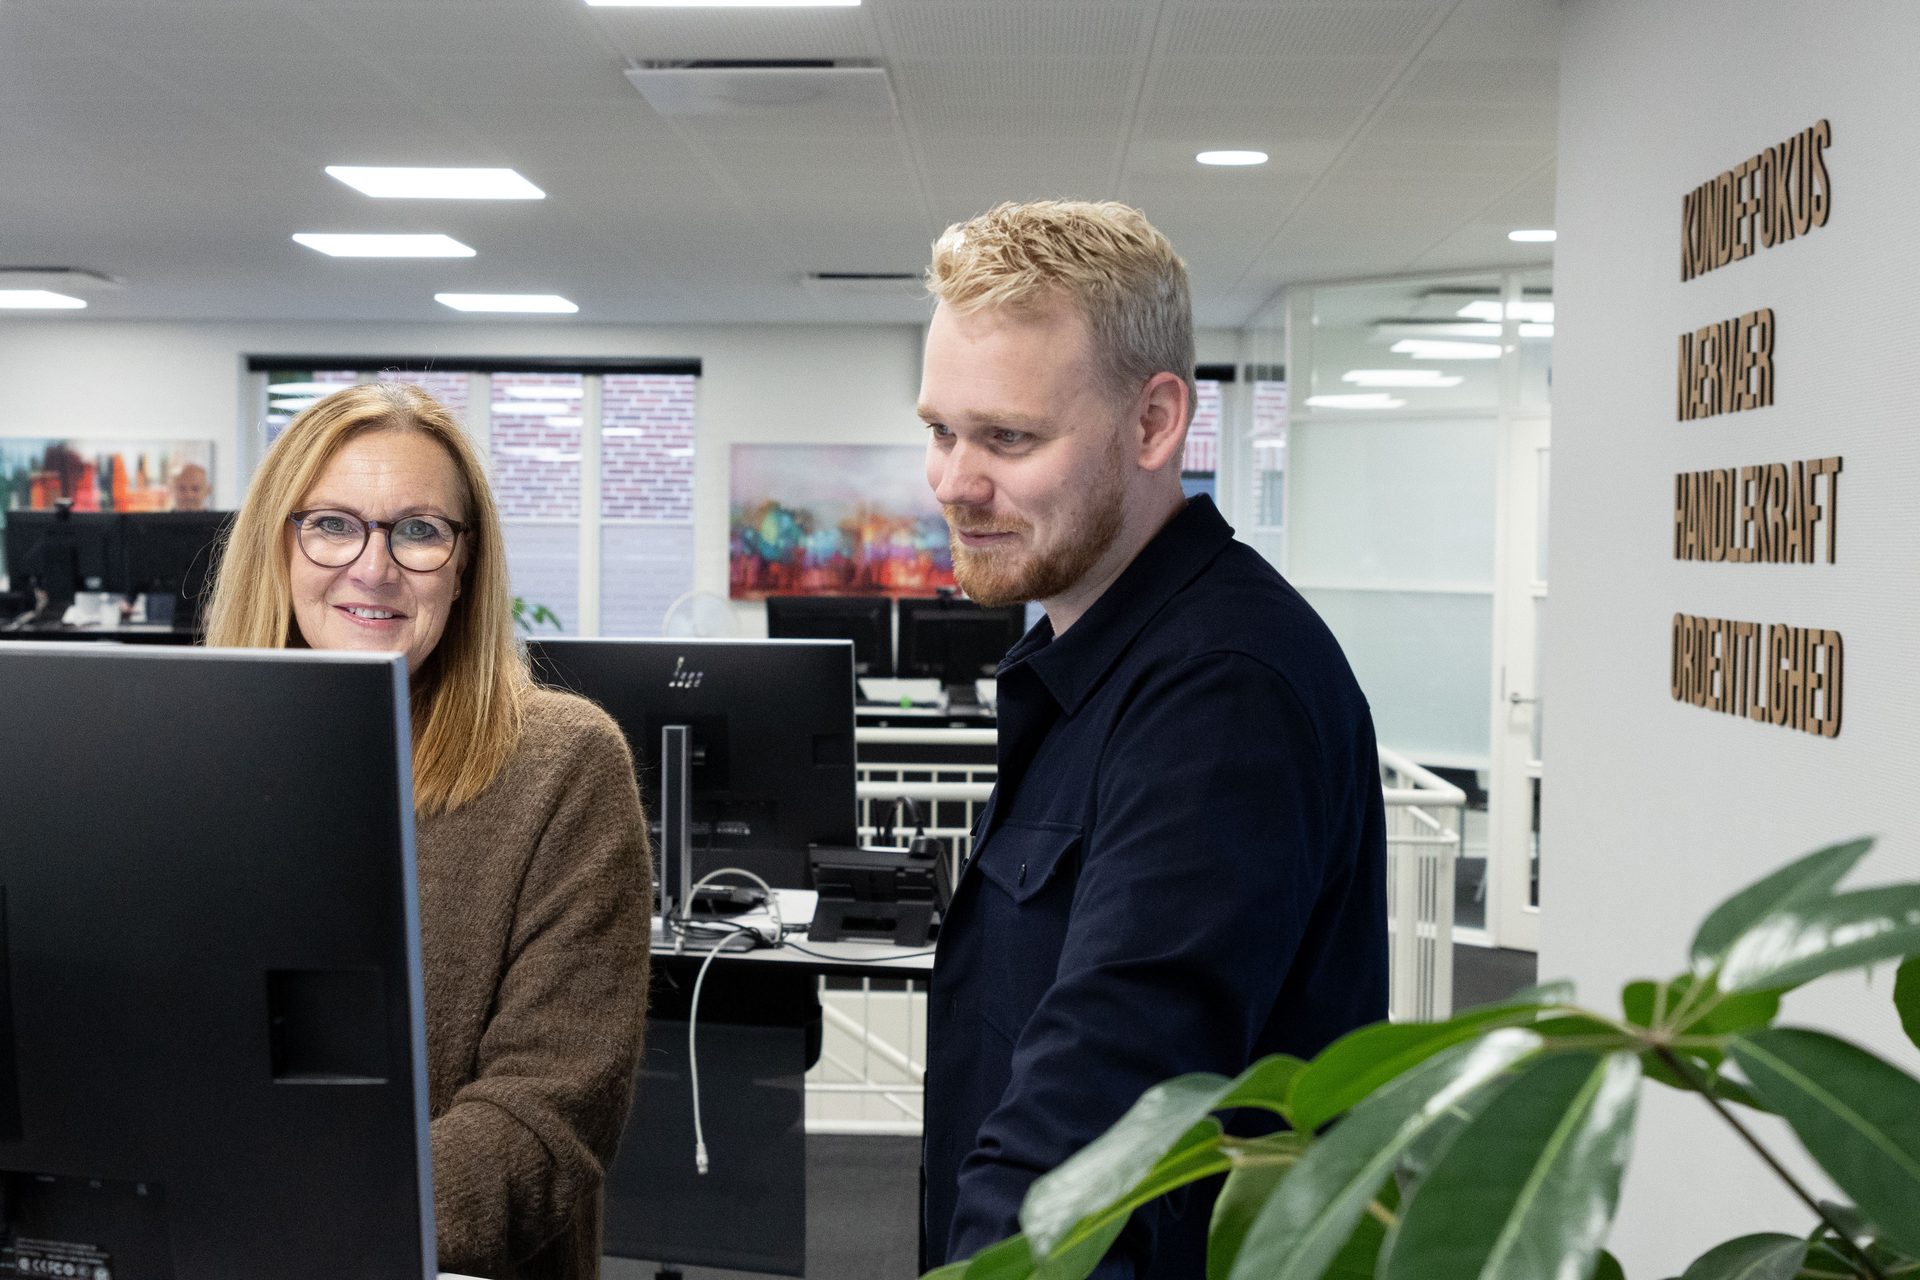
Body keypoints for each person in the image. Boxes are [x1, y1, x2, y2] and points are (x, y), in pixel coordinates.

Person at [916, 201, 1388, 1279]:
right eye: (941, 430)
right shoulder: (1096, 659)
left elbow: (1097, 1103)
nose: (953, 481)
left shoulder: (1220, 693)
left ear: (1153, 422)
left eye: (1008, 437)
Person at [203, 382, 651, 1280]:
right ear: (277, 547)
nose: (372, 567)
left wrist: (328, 1234)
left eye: (417, 530)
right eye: (331, 524)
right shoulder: (187, 755)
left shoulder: (562, 766)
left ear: (463, 565)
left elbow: (545, 1108)